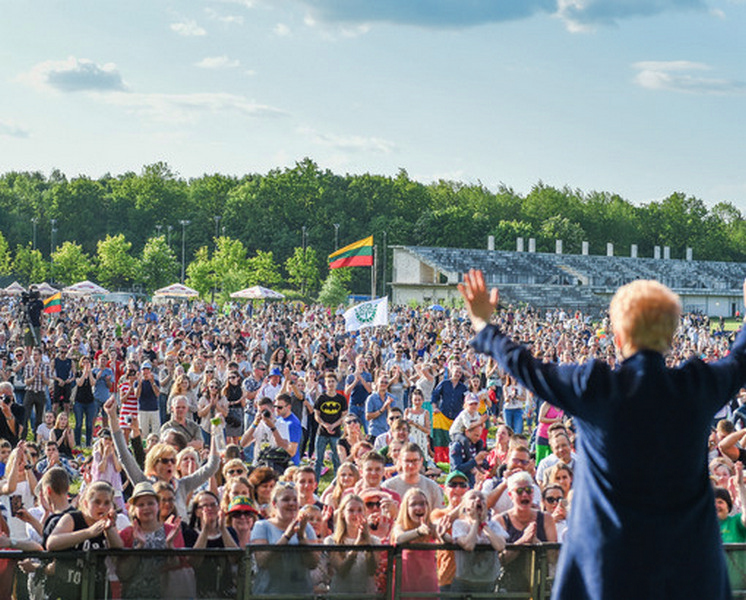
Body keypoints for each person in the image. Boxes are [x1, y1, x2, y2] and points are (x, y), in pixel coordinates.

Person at [459, 268, 746, 599]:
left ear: (618, 336)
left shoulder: (594, 388)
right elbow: (740, 358)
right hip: (690, 571)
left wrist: (484, 324)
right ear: (671, 337)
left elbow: (526, 366)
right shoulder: (696, 387)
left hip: (607, 572)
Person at [46, 481, 124, 600]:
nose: (102, 507)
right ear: (87, 503)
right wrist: (88, 533)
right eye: (97, 502)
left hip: (96, 589)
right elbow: (52, 543)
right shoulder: (72, 518)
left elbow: (118, 549)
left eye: (107, 503)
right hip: (68, 589)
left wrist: (109, 529)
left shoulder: (107, 524)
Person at [250, 482, 318, 596]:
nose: (291, 503)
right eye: (286, 499)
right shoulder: (262, 526)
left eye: (294, 500)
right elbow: (263, 561)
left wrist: (301, 537)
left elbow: (313, 563)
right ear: (274, 504)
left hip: (301, 594)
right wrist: (286, 536)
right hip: (268, 594)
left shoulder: (306, 527)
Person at [451, 489, 507, 594]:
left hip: (488, 583)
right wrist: (475, 521)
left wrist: (483, 524)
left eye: (481, 498)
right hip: (464, 583)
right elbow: (469, 545)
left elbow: (500, 546)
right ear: (465, 506)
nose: (478, 500)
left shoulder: (494, 525)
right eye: (473, 497)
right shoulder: (459, 524)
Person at [325, 493, 379, 594]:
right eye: (351, 510)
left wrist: (367, 542)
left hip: (366, 595)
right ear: (342, 513)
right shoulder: (332, 541)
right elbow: (342, 571)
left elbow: (372, 569)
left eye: (359, 510)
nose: (356, 514)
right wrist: (356, 546)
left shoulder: (375, 541)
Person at [392, 488, 439, 600]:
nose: (418, 508)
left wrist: (438, 530)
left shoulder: (431, 527)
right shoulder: (400, 527)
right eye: (413, 504)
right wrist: (418, 532)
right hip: (406, 586)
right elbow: (399, 538)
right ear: (406, 508)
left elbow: (450, 541)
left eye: (422, 503)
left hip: (428, 585)